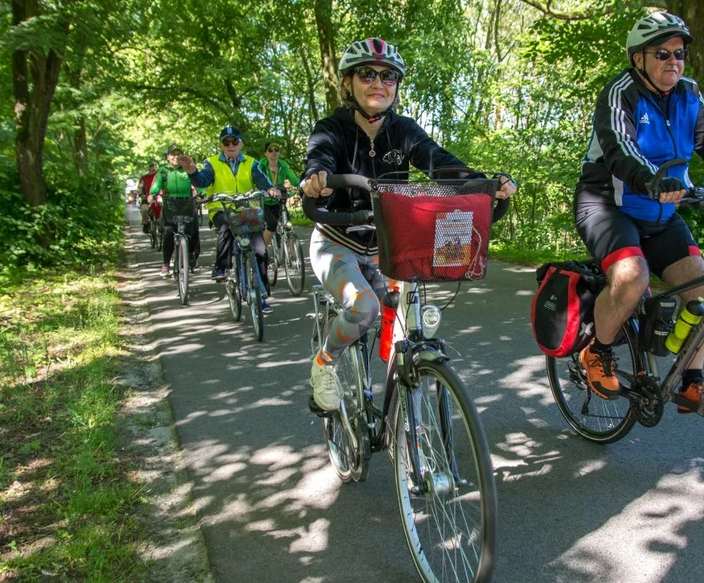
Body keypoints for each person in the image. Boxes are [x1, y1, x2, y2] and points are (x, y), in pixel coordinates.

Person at [574, 11, 704, 411]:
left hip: (662, 209)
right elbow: (621, 149)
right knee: (632, 276)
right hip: (607, 202)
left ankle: (691, 380)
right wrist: (652, 179)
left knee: (701, 282)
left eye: (680, 53)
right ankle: (597, 352)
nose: (674, 60)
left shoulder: (689, 94)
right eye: (662, 53)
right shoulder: (621, 92)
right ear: (639, 58)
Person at [300, 37, 517, 411]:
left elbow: (440, 162)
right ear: (348, 83)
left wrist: (484, 184)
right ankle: (325, 363)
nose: (378, 83)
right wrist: (316, 178)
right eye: (367, 74)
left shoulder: (403, 130)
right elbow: (319, 157)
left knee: (409, 316)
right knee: (362, 308)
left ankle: (404, 404)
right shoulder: (331, 128)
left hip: (389, 244)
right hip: (336, 241)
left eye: (389, 77)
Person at [179, 125, 280, 314]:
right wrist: (191, 170)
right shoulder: (212, 163)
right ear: (221, 145)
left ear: (240, 143)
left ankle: (263, 297)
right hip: (221, 207)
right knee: (226, 226)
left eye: (234, 141)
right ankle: (221, 267)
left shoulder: (251, 163)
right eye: (227, 142)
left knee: (259, 251)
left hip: (247, 210)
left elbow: (262, 180)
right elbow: (203, 181)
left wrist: (270, 189)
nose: (231, 145)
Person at [150, 144, 201, 278]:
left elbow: (198, 182)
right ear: (167, 157)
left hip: (187, 203)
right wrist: (153, 194)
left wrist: (202, 193)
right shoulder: (163, 171)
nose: (176, 157)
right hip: (170, 204)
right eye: (173, 154)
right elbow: (156, 185)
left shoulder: (188, 169)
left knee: (193, 229)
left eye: (179, 154)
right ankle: (166, 263)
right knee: (167, 232)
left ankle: (190, 254)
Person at [260, 141, 302, 291]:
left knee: (288, 226)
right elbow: (256, 180)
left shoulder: (283, 166)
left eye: (276, 149)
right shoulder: (261, 165)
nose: (274, 152)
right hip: (265, 201)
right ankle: (261, 252)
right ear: (266, 153)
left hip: (280, 200)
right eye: (270, 150)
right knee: (271, 224)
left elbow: (295, 180)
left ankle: (291, 256)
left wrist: (303, 186)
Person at [139, 162, 158, 233]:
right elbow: (140, 189)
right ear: (149, 171)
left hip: (157, 197)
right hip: (146, 197)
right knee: (144, 209)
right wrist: (141, 194)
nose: (154, 172)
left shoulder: (159, 177)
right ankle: (145, 223)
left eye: (155, 170)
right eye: (152, 170)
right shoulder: (144, 178)